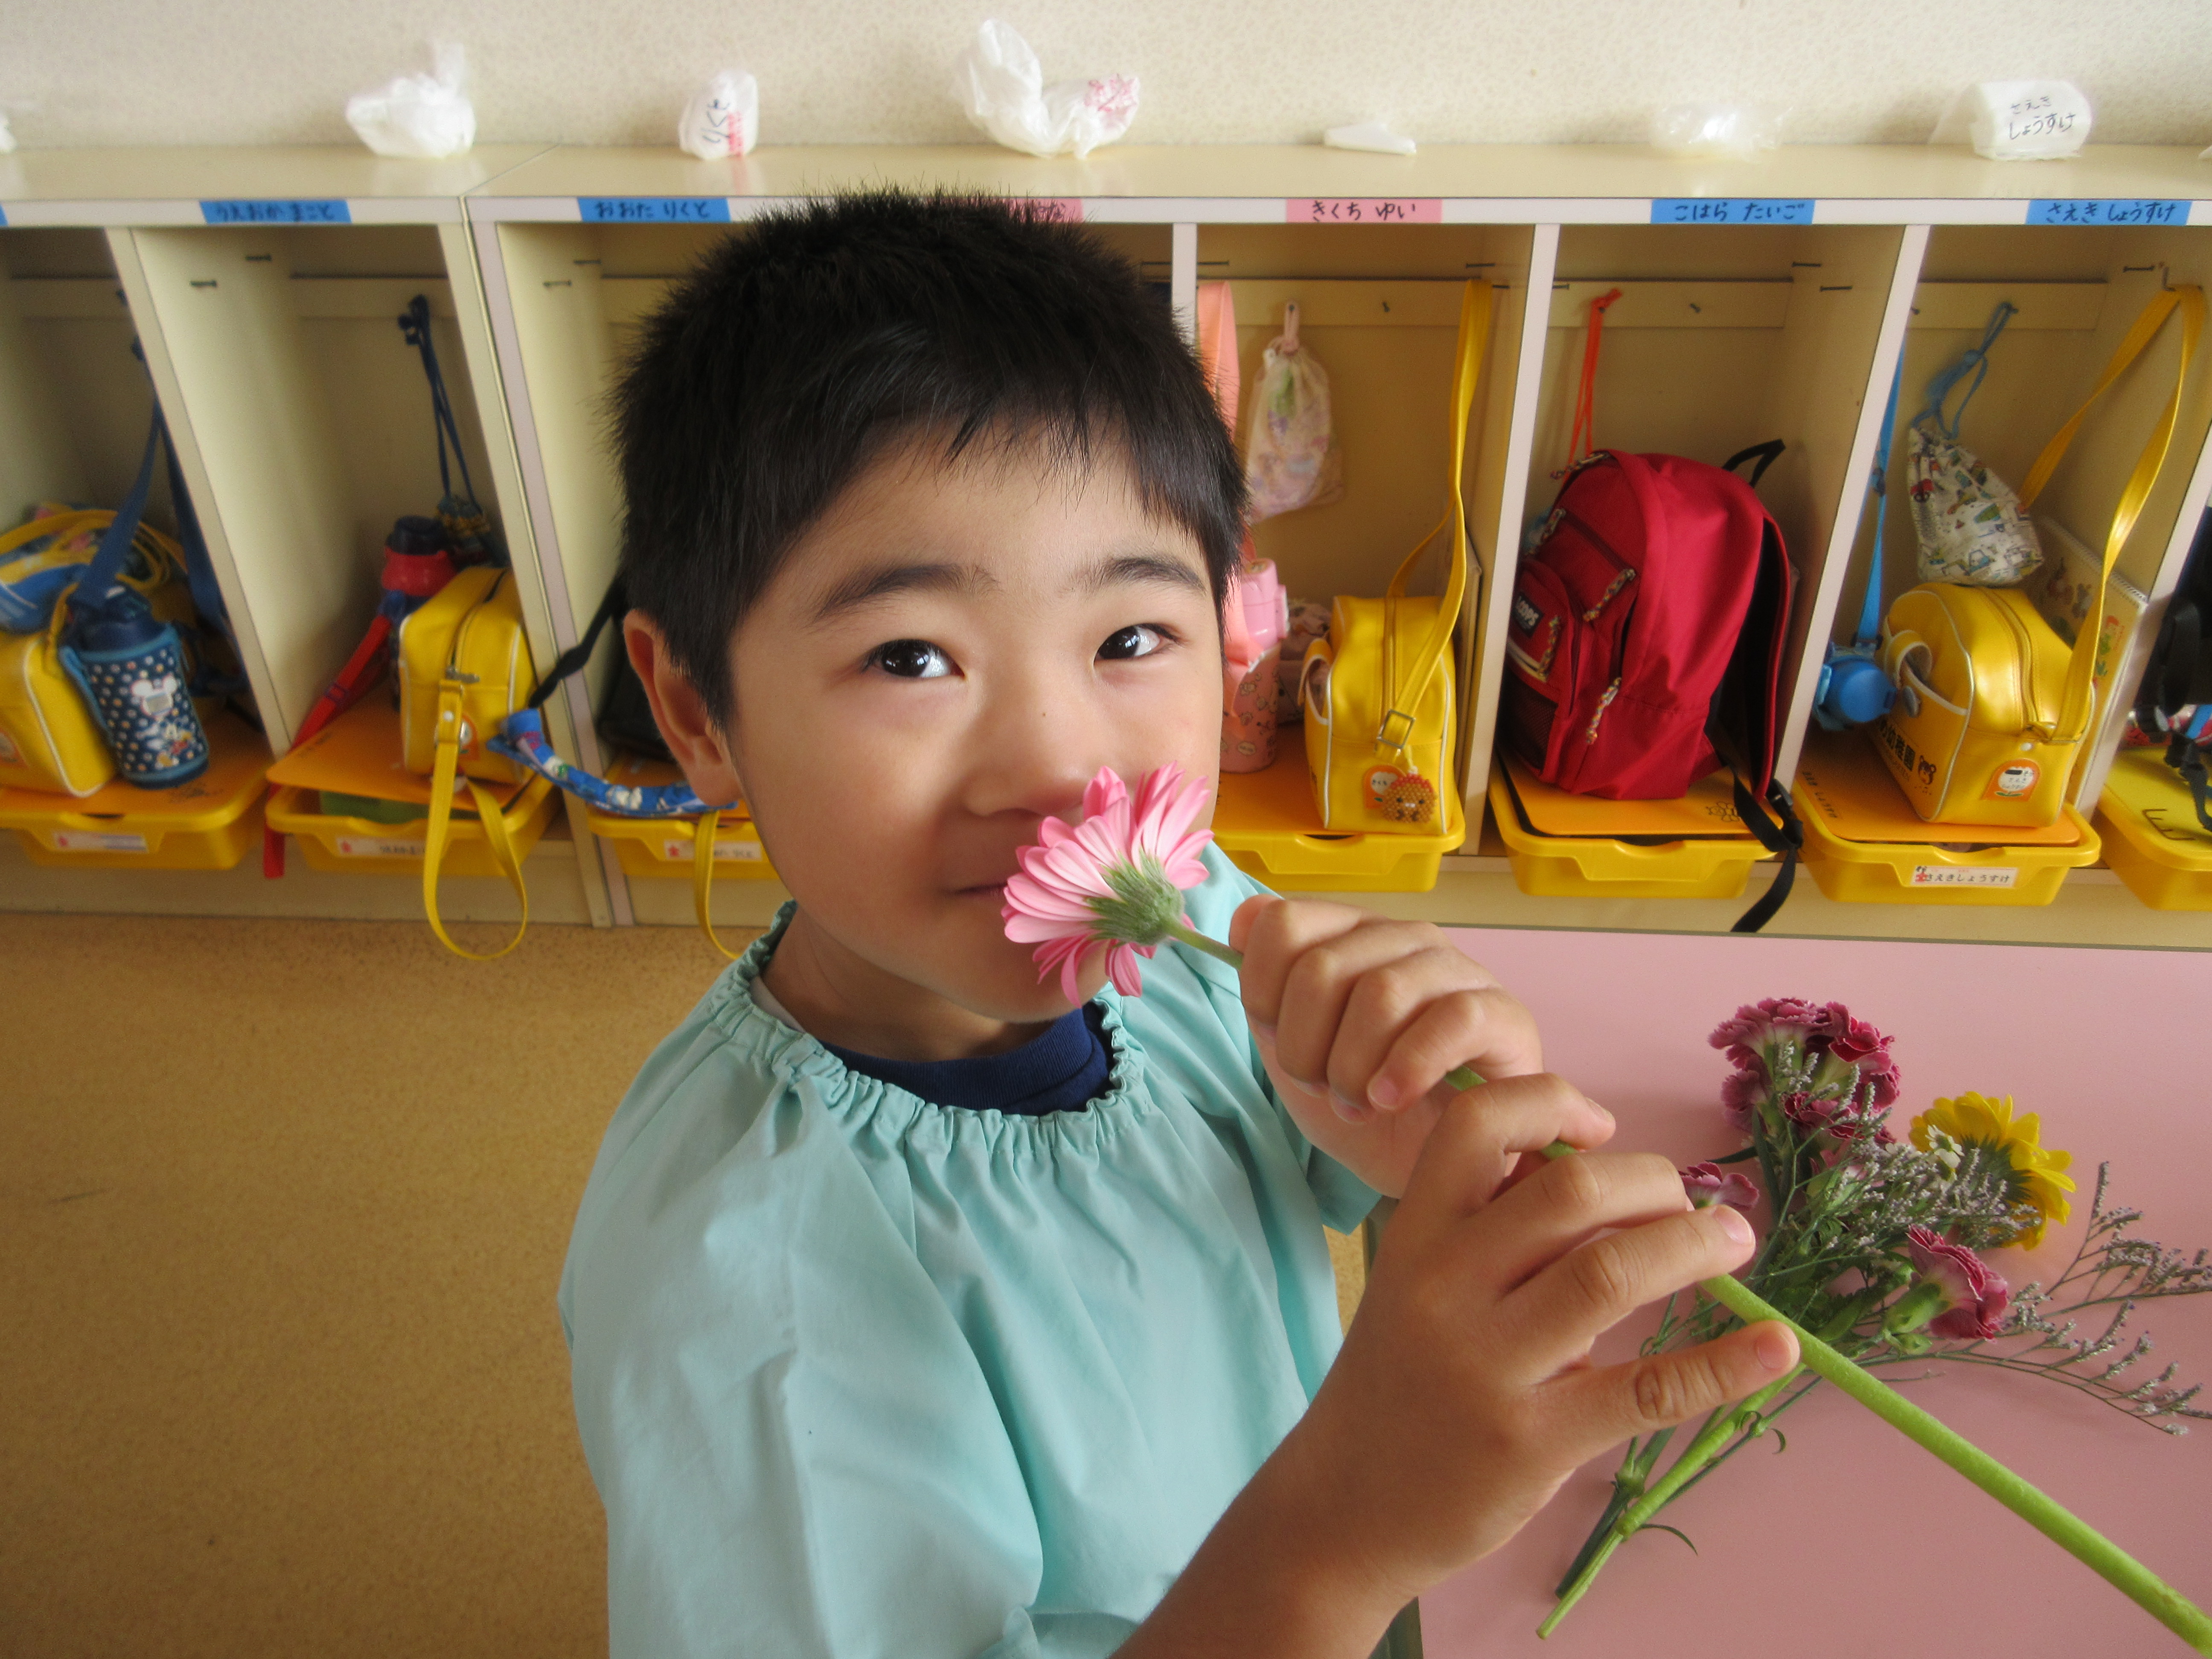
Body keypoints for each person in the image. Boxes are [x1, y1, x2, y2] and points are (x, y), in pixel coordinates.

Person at [558, 192, 1797, 1659]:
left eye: (1131, 638)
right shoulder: (744, 1291)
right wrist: (1348, 1535)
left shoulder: (1189, 913)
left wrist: (1419, 1144)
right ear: (696, 710)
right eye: (911, 657)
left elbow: (1339, 1169)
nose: (1059, 768)